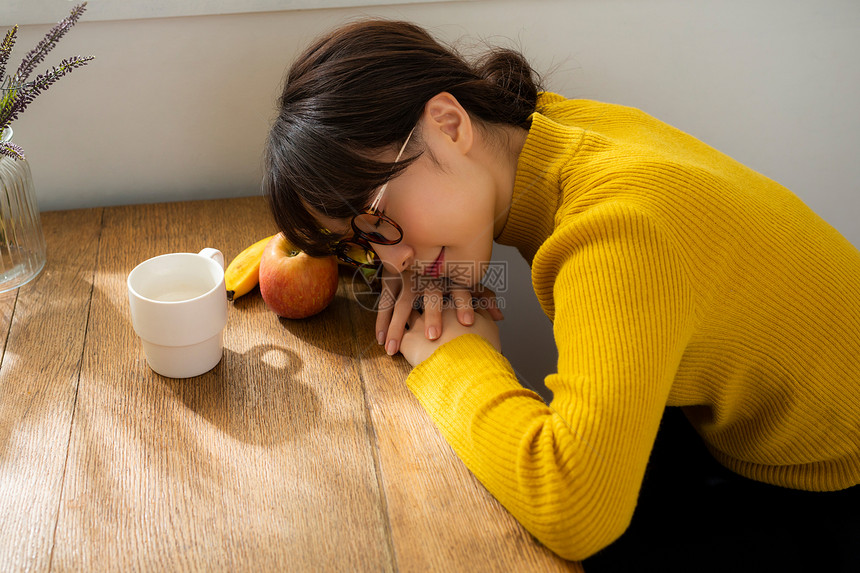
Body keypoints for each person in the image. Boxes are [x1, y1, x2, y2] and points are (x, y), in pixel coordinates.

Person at [263, 19, 860, 563]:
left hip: (825, 481)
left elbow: (575, 509)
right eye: (361, 244)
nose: (394, 263)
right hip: (736, 428)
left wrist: (451, 356)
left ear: (448, 123)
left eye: (377, 217)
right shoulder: (542, 129)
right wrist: (339, 254)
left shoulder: (616, 229)